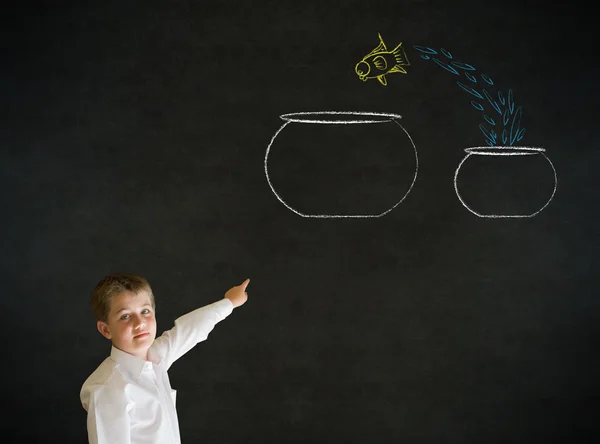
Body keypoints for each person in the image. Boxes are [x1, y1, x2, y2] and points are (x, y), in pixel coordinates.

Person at [80, 272, 249, 444]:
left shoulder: (155, 357)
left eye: (145, 311)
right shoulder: (108, 389)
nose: (140, 323)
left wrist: (230, 303)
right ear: (106, 330)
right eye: (125, 316)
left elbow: (189, 330)